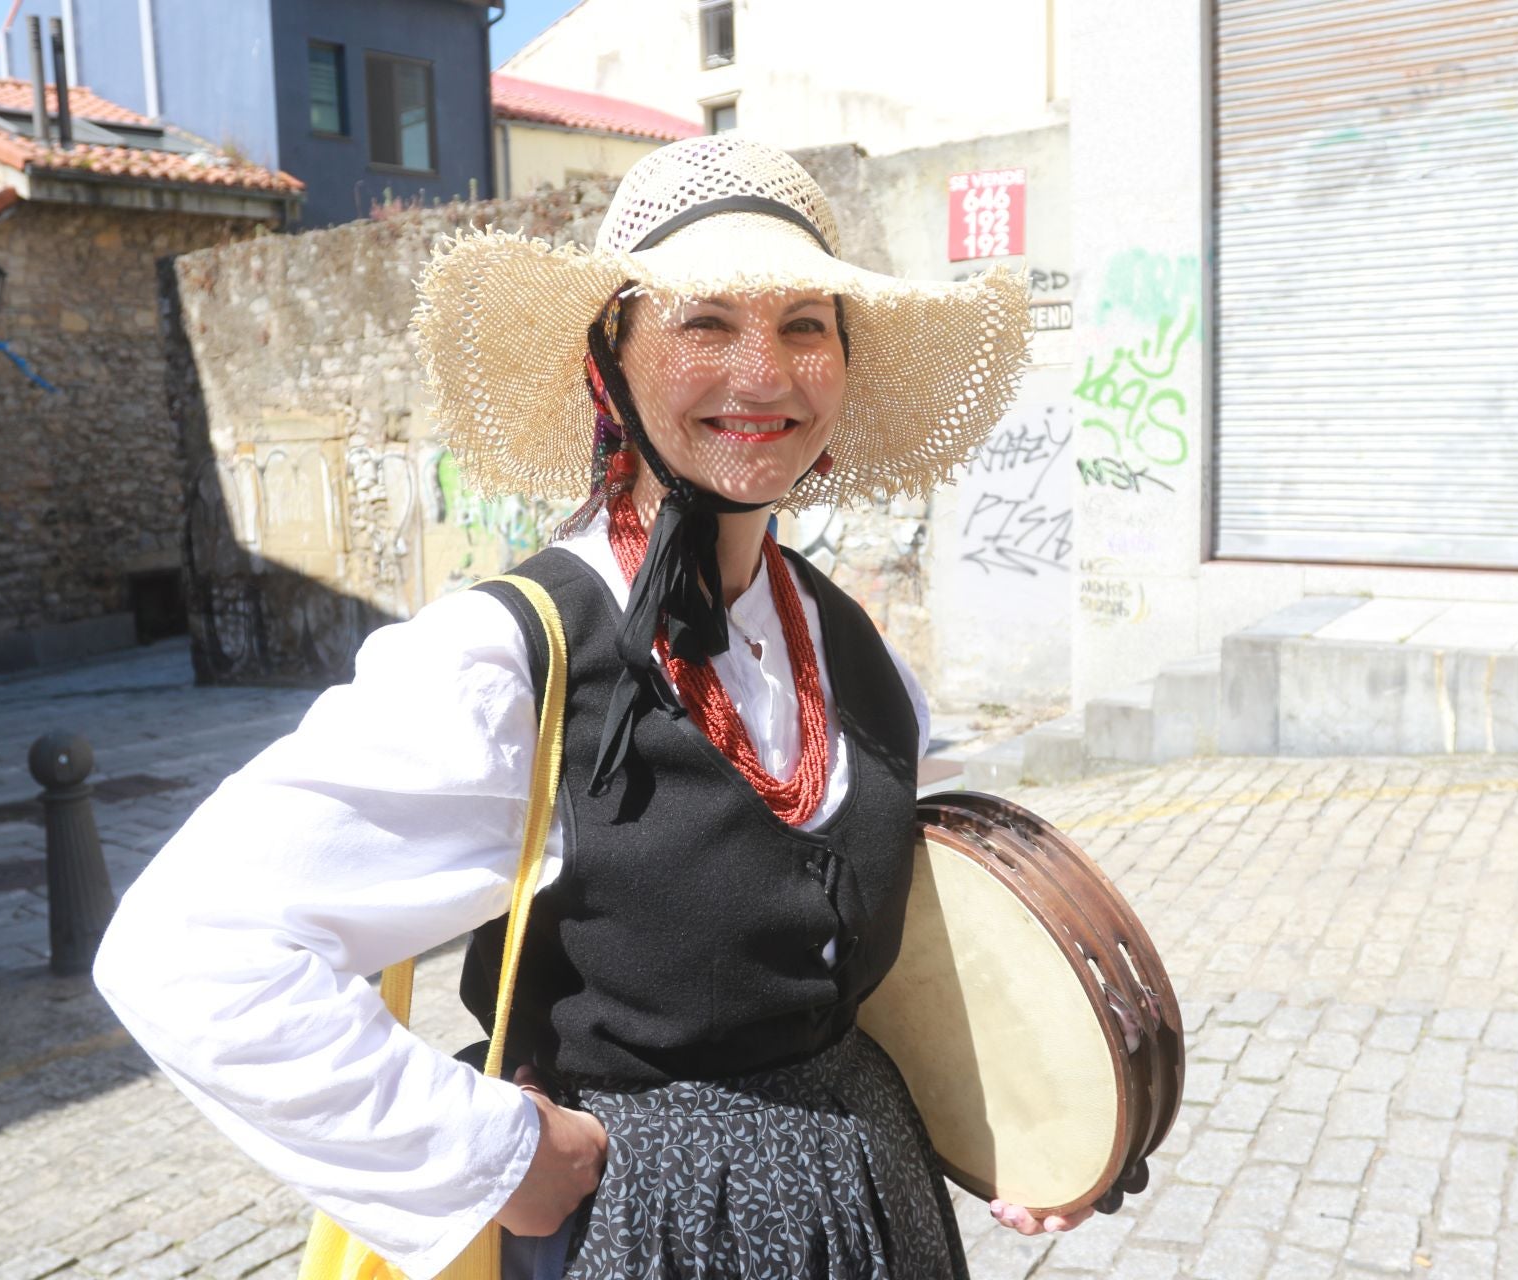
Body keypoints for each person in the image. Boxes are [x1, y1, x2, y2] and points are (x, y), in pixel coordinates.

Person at [94, 135, 1087, 1280]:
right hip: (653, 1230)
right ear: (608, 359)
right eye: (705, 320)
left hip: (878, 1206)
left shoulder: (856, 653)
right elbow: (189, 945)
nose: (763, 373)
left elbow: (895, 953)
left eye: (805, 325)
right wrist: (494, 1154)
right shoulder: (510, 661)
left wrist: (1016, 1120)